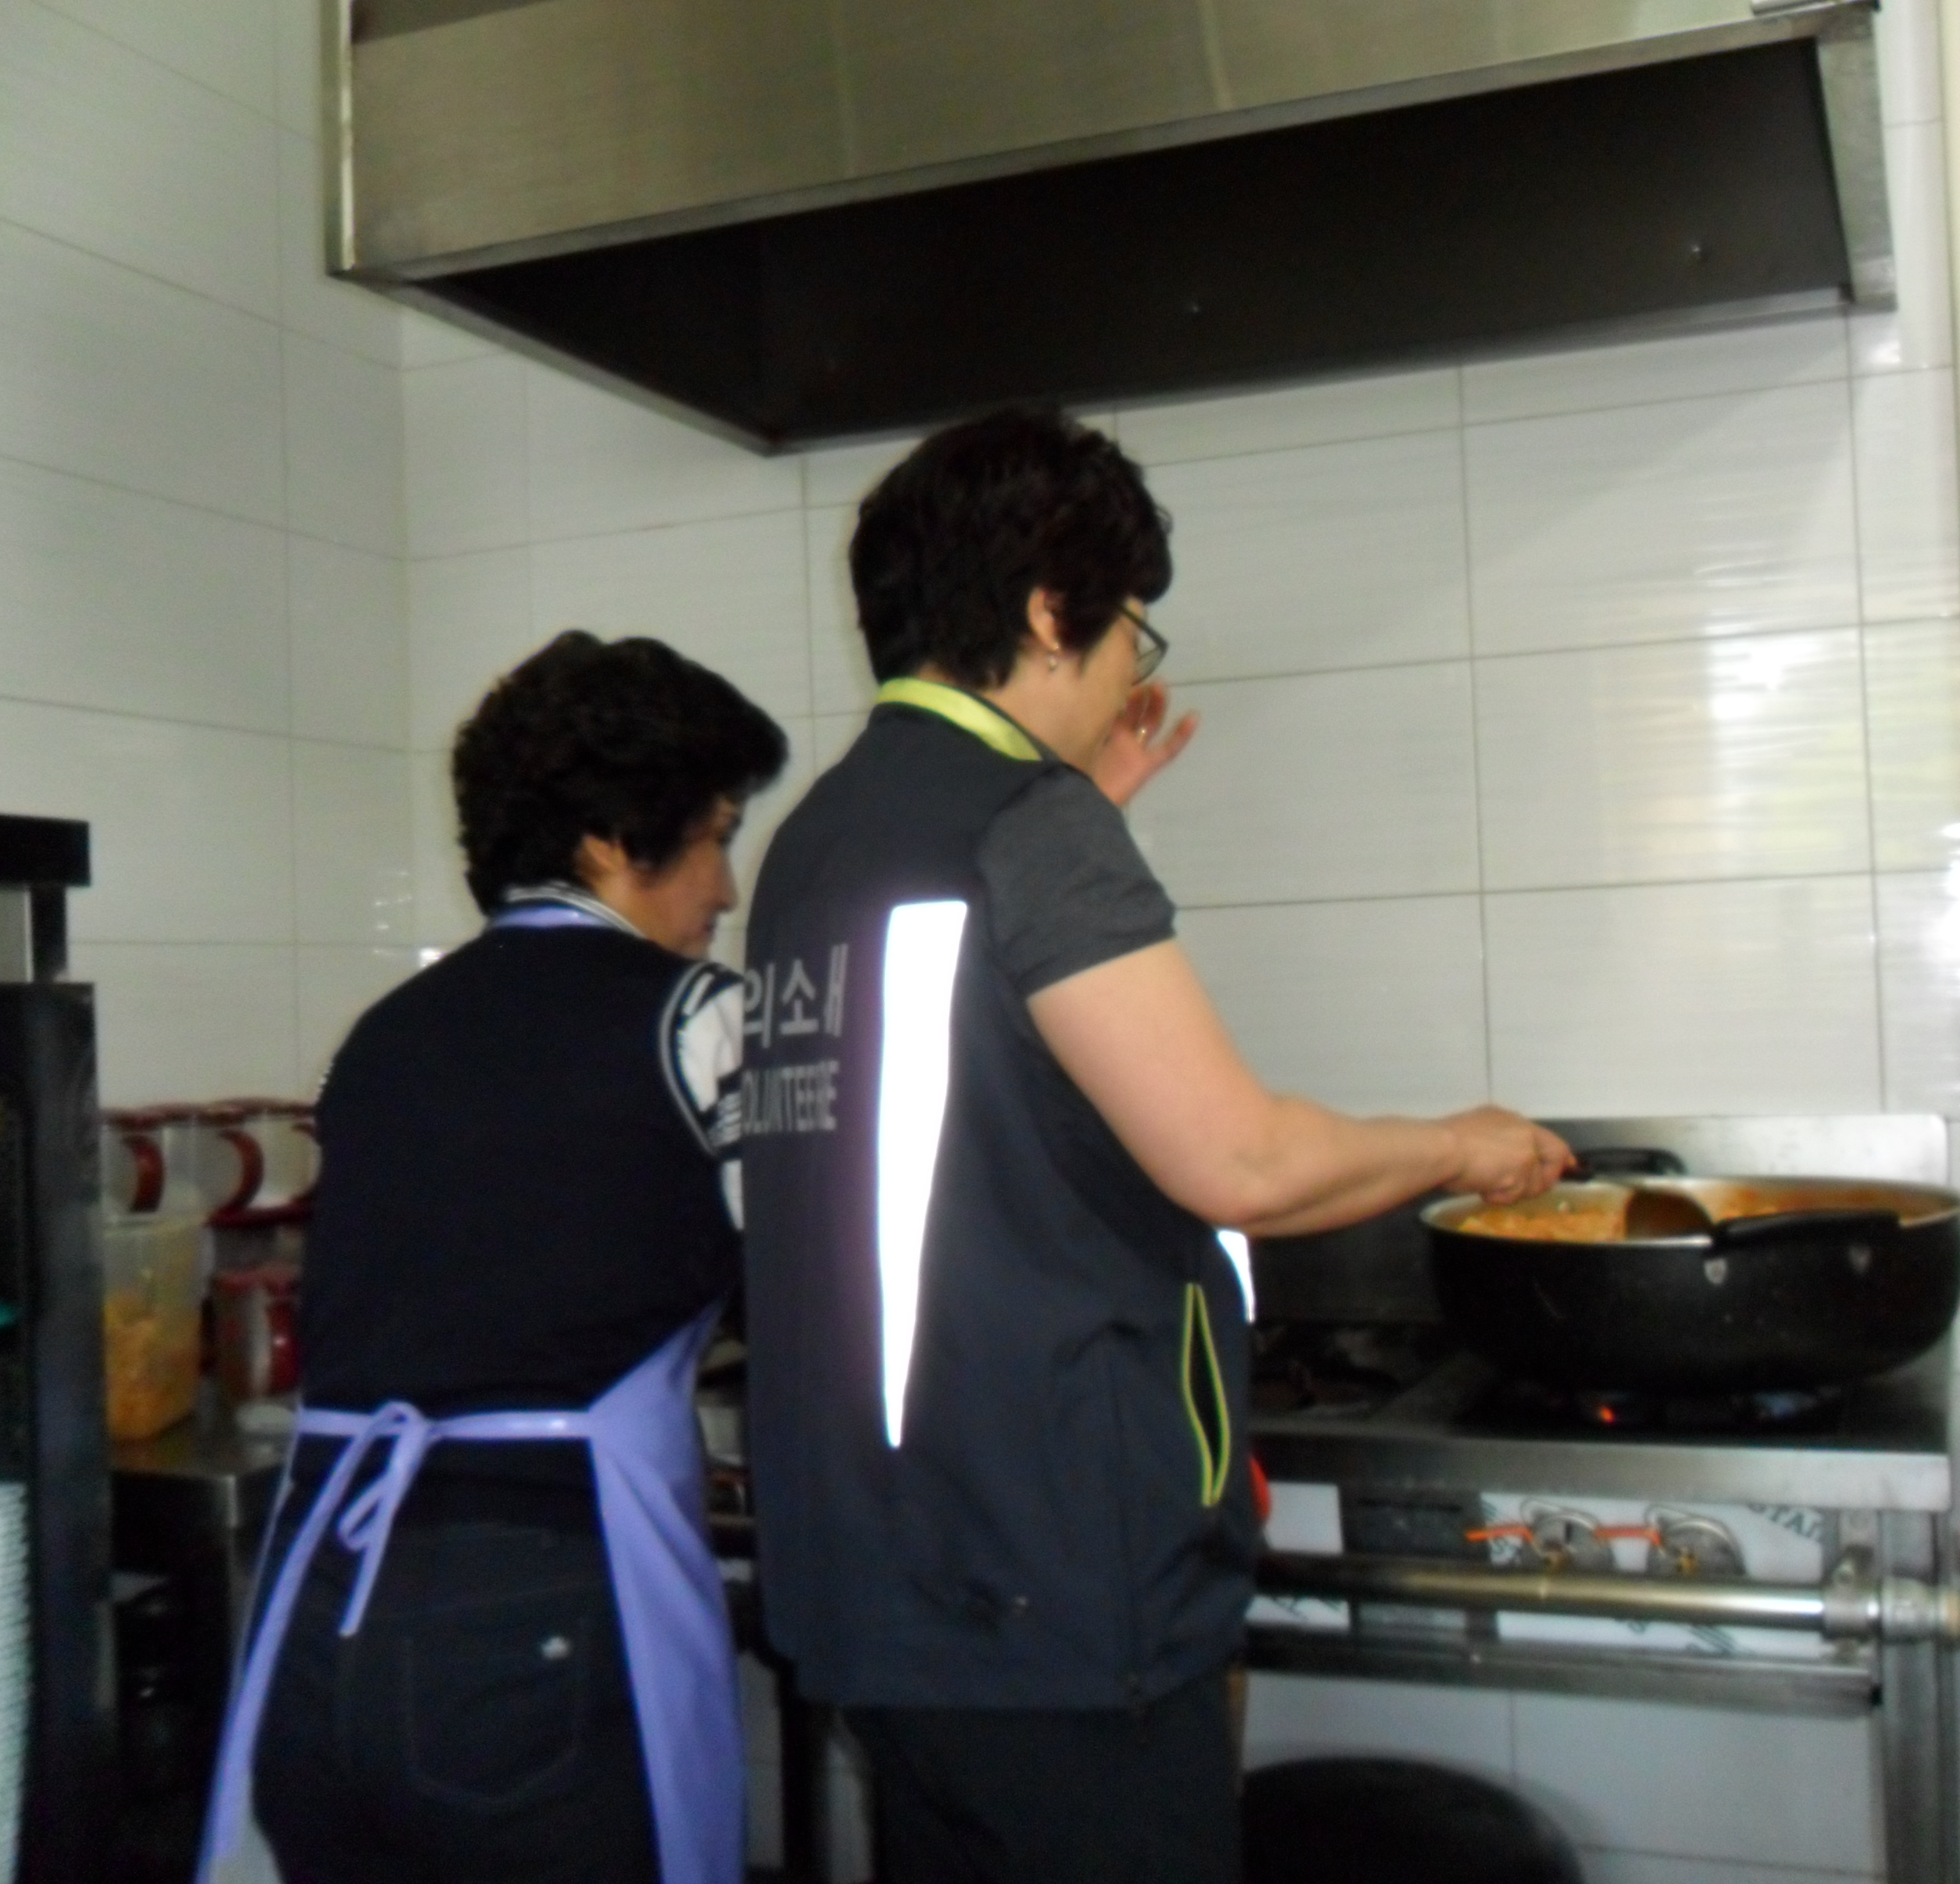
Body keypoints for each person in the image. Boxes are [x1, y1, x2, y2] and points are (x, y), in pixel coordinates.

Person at [741, 406, 1570, 1884]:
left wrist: (1081, 820)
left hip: (887, 1577)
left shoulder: (823, 839)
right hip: (1047, 1587)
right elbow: (1238, 1163)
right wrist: (1460, 1146)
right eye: (1132, 628)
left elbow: (976, 1105)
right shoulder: (1027, 831)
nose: (1136, 668)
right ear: (1048, 613)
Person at [197, 631, 788, 1884]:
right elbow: (811, 1298)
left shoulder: (383, 1038)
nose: (727, 888)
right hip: (538, 1633)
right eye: (716, 836)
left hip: (325, 1610)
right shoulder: (699, 1020)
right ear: (613, 839)